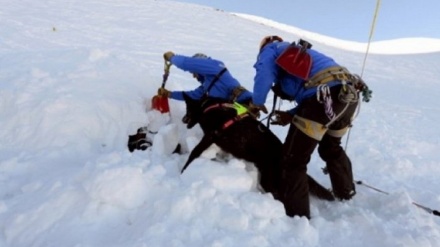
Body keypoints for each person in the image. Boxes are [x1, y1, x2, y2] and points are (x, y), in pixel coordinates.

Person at [250, 35, 369, 219]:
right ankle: (345, 192)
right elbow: (316, 88)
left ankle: (297, 215)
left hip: (322, 100)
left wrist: (256, 103)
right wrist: (291, 115)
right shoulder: (305, 53)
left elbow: (264, 73)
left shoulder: (271, 50)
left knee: (293, 160)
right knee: (331, 147)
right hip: (346, 99)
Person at [157, 52, 253, 125]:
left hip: (245, 102)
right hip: (233, 110)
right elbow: (192, 96)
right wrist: (169, 94)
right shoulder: (208, 85)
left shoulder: (214, 65)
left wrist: (172, 58)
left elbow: (186, 63)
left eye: (194, 72)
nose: (194, 76)